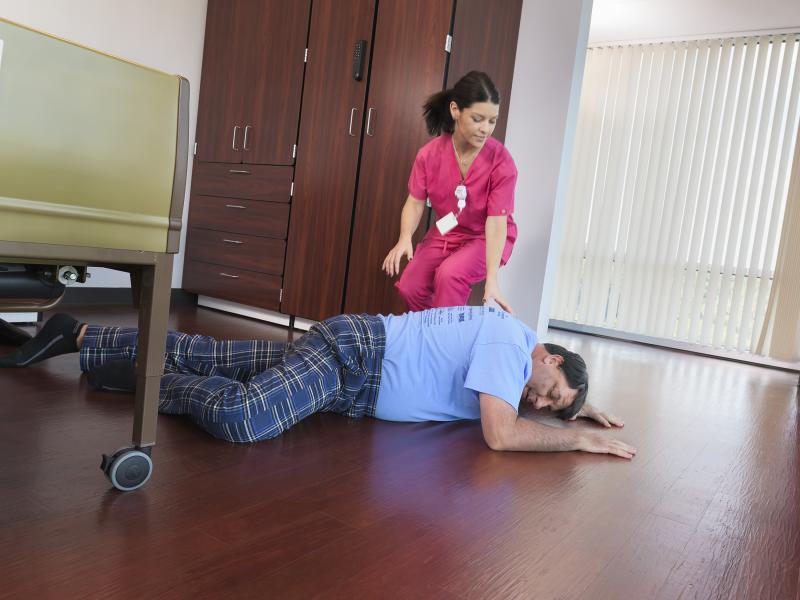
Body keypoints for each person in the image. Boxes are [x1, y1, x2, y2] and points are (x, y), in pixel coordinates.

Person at [0, 308, 635, 458]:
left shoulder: (522, 358)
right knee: (247, 417)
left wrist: (576, 407)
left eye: (546, 408)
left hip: (353, 383)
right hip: (356, 356)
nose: (537, 403)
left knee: (219, 356)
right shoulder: (510, 340)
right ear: (548, 355)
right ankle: (140, 382)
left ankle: (81, 335)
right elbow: (500, 436)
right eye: (546, 392)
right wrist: (573, 440)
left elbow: (527, 404)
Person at [382, 71, 518, 313]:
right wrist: (404, 237)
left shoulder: (501, 161)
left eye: (492, 121)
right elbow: (415, 203)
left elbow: (497, 222)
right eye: (478, 119)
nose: (485, 129)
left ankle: (446, 344)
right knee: (410, 286)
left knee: (450, 275)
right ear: (456, 110)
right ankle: (434, 331)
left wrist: (492, 279)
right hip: (447, 232)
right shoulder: (429, 155)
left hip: (485, 236)